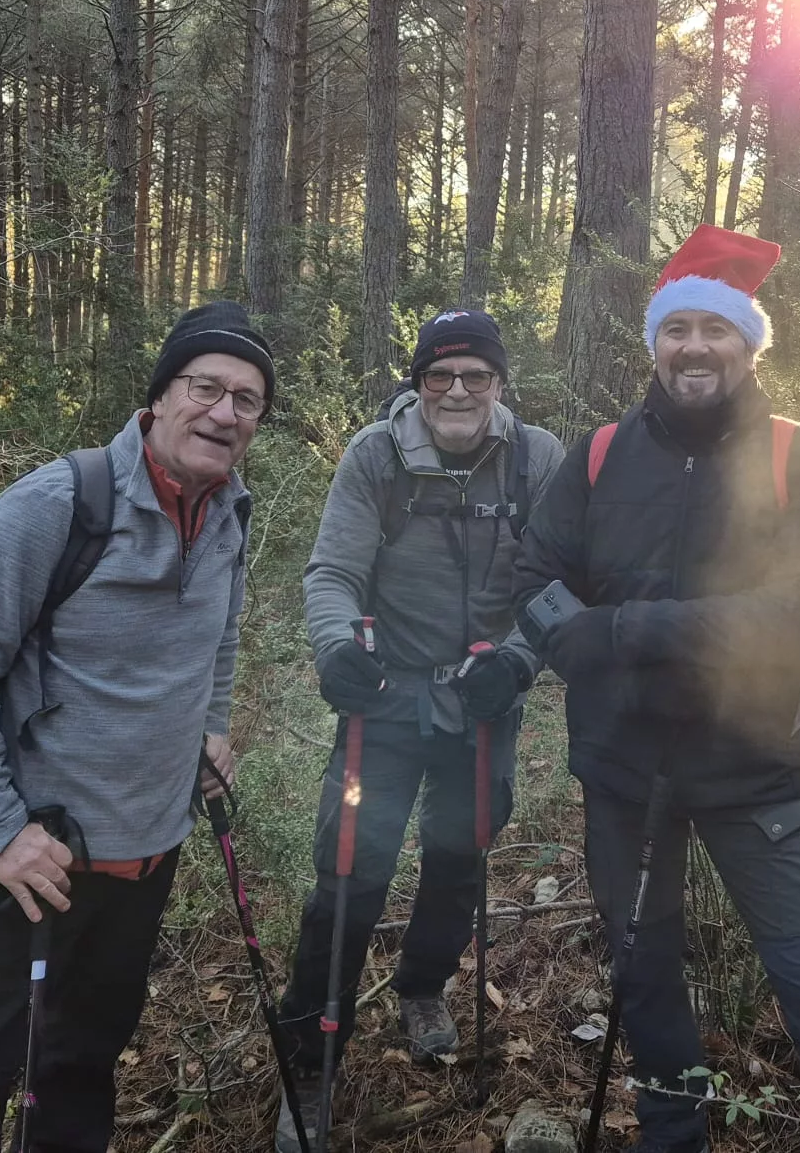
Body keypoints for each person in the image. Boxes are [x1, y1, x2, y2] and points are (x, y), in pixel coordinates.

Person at [505, 226, 800, 1153]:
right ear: (655, 342)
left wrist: (619, 630)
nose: (695, 346)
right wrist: (562, 640)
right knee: (644, 980)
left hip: (754, 774)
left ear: (748, 343)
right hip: (621, 774)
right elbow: (531, 575)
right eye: (677, 329)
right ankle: (673, 1136)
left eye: (716, 330)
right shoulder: (601, 453)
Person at [0, 302, 276, 1153]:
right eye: (206, 386)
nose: (224, 413)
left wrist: (207, 729)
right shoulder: (58, 503)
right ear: (161, 395)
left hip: (144, 856)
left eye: (247, 400)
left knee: (79, 1069)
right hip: (25, 865)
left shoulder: (230, 512)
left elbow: (221, 638)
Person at [274, 309, 565, 1151]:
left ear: (500, 384)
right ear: (418, 384)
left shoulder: (538, 460)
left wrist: (516, 660)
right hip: (385, 701)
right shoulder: (376, 456)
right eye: (440, 376)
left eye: (476, 375)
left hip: (484, 702)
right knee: (350, 867)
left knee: (460, 849)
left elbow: (558, 582)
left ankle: (423, 984)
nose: (458, 390)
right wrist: (334, 647)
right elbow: (333, 569)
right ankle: (308, 1058)